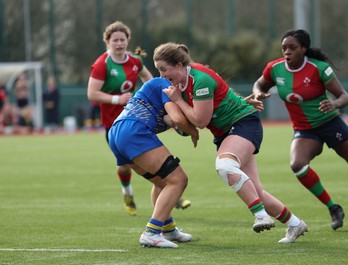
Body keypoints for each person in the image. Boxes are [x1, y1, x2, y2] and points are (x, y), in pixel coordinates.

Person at [154, 42, 308, 244]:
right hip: (226, 133)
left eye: (164, 69)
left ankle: (260, 215)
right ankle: (295, 224)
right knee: (255, 190)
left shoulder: (199, 79)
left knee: (225, 166)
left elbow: (200, 121)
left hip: (243, 124)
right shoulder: (179, 85)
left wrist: (178, 102)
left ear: (180, 64)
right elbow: (222, 95)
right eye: (158, 71)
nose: (161, 76)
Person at [251, 29, 348, 231]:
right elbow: (260, 83)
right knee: (298, 166)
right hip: (305, 130)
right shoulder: (275, 69)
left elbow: (345, 96)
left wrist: (335, 104)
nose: (287, 52)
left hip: (331, 124)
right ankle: (333, 207)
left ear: (304, 49)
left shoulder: (318, 68)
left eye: (293, 48)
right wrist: (258, 92)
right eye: (284, 48)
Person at [87, 21, 191, 216]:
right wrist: (117, 99)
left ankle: (172, 194)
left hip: (137, 121)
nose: (119, 43)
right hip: (114, 124)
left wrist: (158, 98)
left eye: (122, 39)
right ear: (107, 42)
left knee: (144, 164)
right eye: (114, 40)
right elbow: (92, 94)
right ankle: (129, 193)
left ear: (128, 40)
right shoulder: (102, 65)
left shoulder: (135, 61)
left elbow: (150, 80)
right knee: (124, 166)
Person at [108, 77, 199, 248]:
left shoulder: (162, 91)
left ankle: (168, 229)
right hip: (133, 131)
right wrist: (193, 131)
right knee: (178, 180)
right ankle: (152, 232)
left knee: (162, 182)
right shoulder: (165, 85)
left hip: (117, 133)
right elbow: (178, 120)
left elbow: (173, 120)